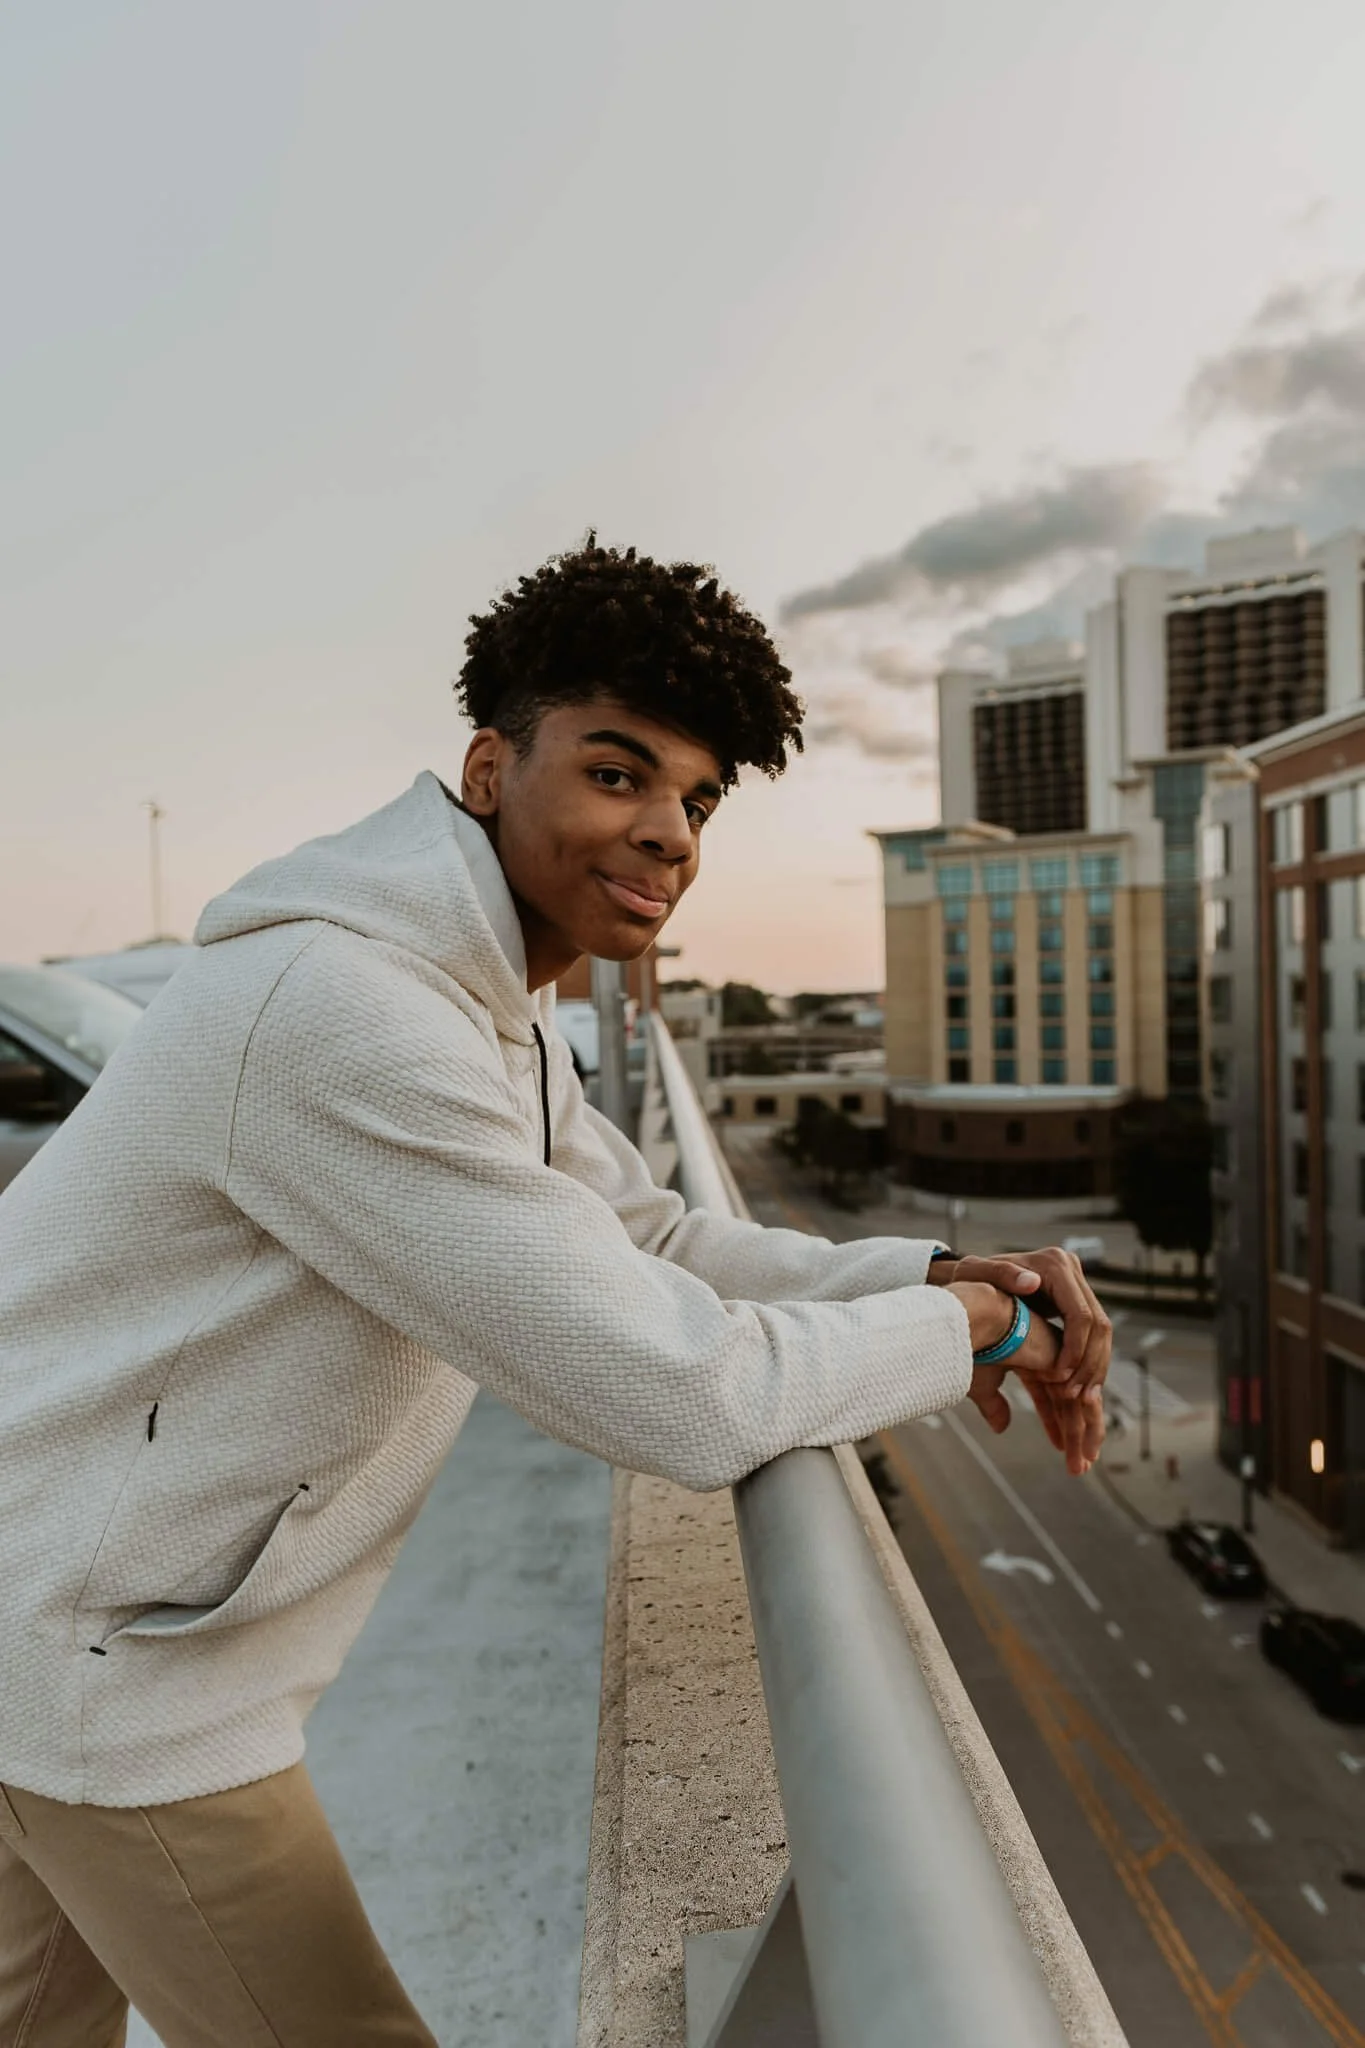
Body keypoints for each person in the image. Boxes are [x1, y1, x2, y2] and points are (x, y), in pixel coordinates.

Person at [0, 538, 1109, 2045]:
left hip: (58, 1628)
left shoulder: (484, 1015)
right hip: (101, 1677)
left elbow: (647, 1238)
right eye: (615, 773)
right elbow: (679, 1395)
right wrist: (975, 1330)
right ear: (486, 767)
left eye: (696, 800)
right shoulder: (349, 1015)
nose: (668, 835)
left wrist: (925, 1270)